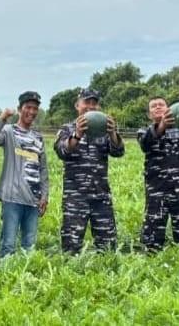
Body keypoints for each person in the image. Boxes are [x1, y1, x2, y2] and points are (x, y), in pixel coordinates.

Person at [54, 88, 124, 253]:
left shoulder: (103, 129)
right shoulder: (67, 129)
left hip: (101, 196)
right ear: (77, 105)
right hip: (75, 197)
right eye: (87, 102)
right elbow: (62, 151)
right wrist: (77, 134)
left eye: (95, 103)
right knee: (71, 247)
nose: (91, 106)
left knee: (108, 247)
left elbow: (118, 152)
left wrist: (113, 133)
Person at [0, 91, 49, 257]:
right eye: (28, 107)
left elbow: (43, 169)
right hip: (12, 198)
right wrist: (2, 119)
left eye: (35, 108)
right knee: (8, 245)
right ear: (20, 109)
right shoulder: (9, 131)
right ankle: (5, 272)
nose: (32, 112)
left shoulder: (38, 138)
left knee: (29, 246)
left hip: (33, 200)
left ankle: (26, 273)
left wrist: (44, 195)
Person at [136, 97, 179, 251]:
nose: (158, 107)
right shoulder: (144, 131)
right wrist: (162, 126)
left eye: (161, 104)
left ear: (169, 109)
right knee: (152, 239)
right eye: (153, 106)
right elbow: (145, 144)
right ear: (149, 114)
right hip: (156, 192)